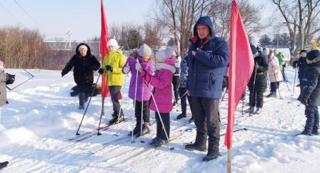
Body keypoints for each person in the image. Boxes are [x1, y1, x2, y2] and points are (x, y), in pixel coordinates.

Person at [185, 16, 229, 161]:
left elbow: (222, 61)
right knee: (198, 119)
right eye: (198, 28)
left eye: (203, 28)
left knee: (212, 121)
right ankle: (200, 143)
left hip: (210, 89)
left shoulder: (219, 43)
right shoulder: (194, 44)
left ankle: (214, 149)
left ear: (209, 29)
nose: (201, 31)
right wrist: (189, 86)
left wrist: (200, 54)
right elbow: (191, 68)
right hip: (195, 88)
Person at [139, 46, 176, 147]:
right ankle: (159, 135)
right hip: (158, 98)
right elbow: (153, 78)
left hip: (164, 98)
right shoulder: (160, 68)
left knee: (164, 119)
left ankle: (165, 136)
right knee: (158, 118)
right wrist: (144, 74)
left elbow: (161, 84)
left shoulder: (167, 71)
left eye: (158, 57)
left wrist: (148, 78)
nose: (156, 59)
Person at [123, 44, 154, 137]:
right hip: (135, 89)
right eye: (144, 57)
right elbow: (125, 69)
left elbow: (151, 72)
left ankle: (146, 125)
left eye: (147, 56)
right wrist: (125, 69)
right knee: (137, 109)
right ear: (140, 55)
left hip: (145, 90)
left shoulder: (150, 64)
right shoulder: (133, 61)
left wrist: (141, 68)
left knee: (145, 109)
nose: (146, 58)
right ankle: (138, 125)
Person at [61, 43, 100, 109]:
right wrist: (64, 71)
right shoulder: (75, 57)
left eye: (84, 50)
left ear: (87, 50)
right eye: (81, 50)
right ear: (79, 51)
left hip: (89, 78)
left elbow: (97, 65)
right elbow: (69, 65)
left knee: (87, 92)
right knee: (81, 91)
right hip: (79, 78)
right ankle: (81, 105)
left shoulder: (91, 57)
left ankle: (84, 100)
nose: (82, 52)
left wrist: (92, 67)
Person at [98, 39, 126, 125]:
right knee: (113, 98)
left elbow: (124, 69)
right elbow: (105, 68)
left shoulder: (120, 56)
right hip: (110, 81)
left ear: (116, 47)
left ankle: (119, 115)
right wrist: (102, 70)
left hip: (117, 81)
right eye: (109, 47)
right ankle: (116, 113)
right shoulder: (107, 57)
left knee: (114, 98)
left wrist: (113, 69)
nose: (110, 48)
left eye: (112, 46)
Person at [298, 42, 320, 136]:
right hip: (316, 93)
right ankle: (315, 128)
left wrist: (305, 97)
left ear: (312, 59)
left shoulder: (313, 69)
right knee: (314, 110)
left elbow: (311, 84)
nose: (306, 59)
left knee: (309, 112)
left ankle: (308, 131)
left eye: (307, 58)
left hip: (312, 93)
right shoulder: (316, 66)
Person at [247, 46, 268, 114]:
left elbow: (266, 67)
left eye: (253, 54)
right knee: (252, 92)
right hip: (251, 77)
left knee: (259, 93)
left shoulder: (262, 57)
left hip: (260, 78)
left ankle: (259, 107)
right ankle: (251, 106)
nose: (252, 55)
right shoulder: (249, 57)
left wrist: (259, 68)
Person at [176, 57, 194, 122]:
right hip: (181, 84)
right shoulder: (183, 60)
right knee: (182, 100)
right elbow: (181, 71)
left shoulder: (193, 60)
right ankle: (183, 113)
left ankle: (194, 115)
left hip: (189, 85)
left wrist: (190, 85)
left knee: (191, 101)